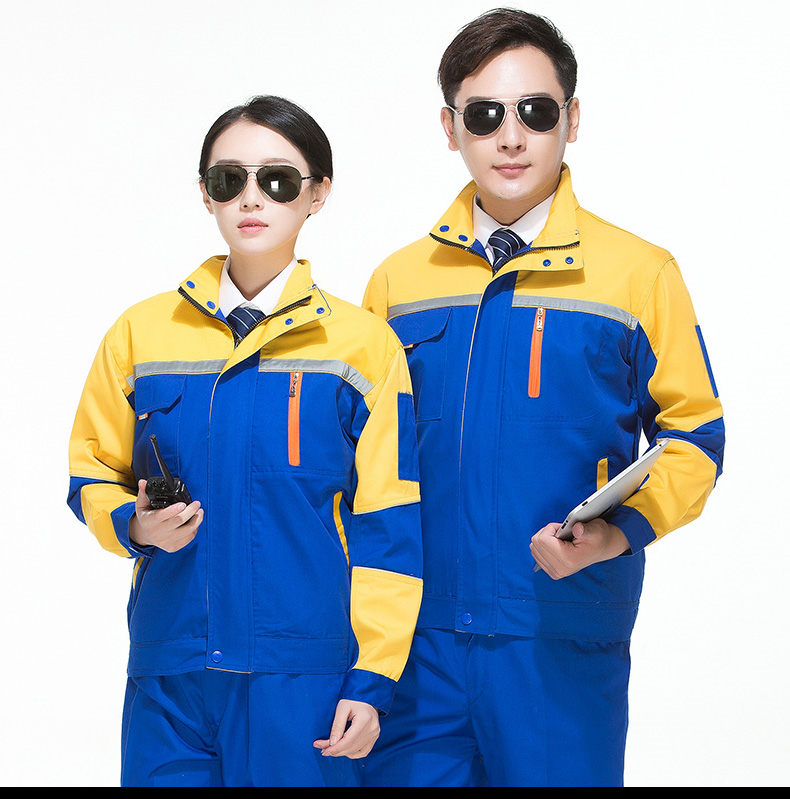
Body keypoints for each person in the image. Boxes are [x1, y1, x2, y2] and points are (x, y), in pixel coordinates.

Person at [360, 8, 724, 788]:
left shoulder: (639, 274)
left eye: (535, 111)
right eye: (484, 116)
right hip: (417, 653)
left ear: (573, 118)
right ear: (450, 128)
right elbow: (363, 466)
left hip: (560, 638)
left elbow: (696, 439)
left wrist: (618, 531)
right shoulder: (396, 285)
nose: (511, 137)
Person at [67, 95, 423, 787]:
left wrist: (374, 677)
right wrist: (135, 524)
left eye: (279, 179)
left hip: (306, 676)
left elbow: (389, 524)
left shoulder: (362, 347)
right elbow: (90, 473)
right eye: (229, 180)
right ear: (205, 193)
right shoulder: (141, 334)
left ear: (318, 193)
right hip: (172, 673)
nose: (251, 199)